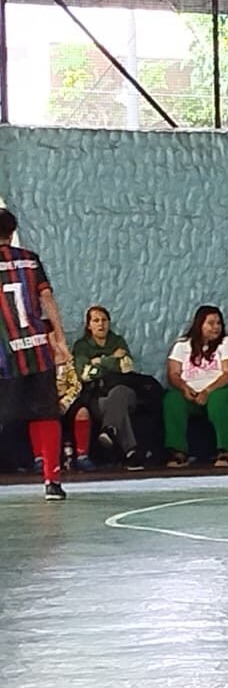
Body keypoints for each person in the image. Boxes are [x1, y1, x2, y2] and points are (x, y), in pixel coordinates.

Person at [0, 209, 73, 500]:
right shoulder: (30, 259)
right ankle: (51, 481)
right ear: (13, 231)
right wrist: (60, 340)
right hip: (35, 347)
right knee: (45, 413)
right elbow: (46, 298)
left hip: (3, 352)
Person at [164, 305, 228, 468]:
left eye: (219, 323)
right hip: (192, 392)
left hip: (224, 390)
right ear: (199, 324)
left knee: (218, 399)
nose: (216, 327)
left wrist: (208, 391)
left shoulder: (227, 343)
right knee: (172, 399)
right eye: (211, 323)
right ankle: (177, 451)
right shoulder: (182, 345)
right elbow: (173, 374)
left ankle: (227, 451)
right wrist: (185, 388)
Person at [72, 305, 144, 470]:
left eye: (104, 320)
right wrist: (111, 359)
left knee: (120, 393)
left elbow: (126, 366)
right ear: (88, 325)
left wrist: (98, 361)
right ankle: (130, 451)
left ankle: (110, 429)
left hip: (125, 392)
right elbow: (85, 374)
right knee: (116, 406)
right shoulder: (81, 346)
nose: (101, 324)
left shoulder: (117, 341)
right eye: (96, 320)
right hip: (98, 396)